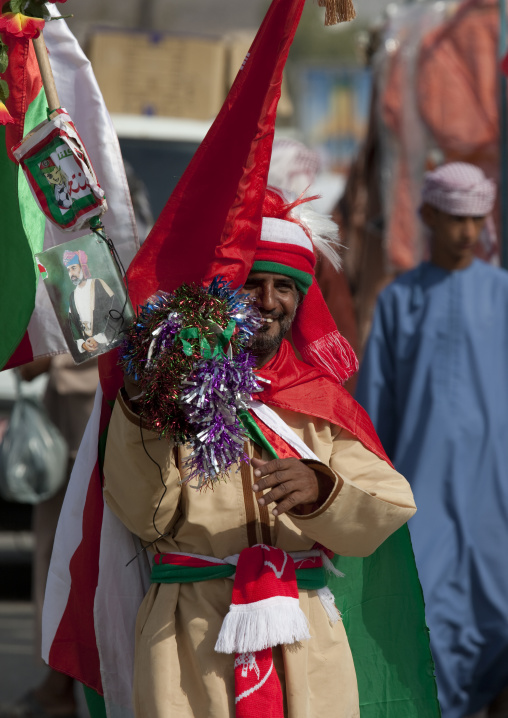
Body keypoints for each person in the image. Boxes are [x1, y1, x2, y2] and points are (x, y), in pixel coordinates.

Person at [101, 187, 419, 718]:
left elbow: (391, 503)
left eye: (284, 288)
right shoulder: (172, 390)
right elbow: (142, 515)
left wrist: (324, 490)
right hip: (189, 638)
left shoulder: (321, 404)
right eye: (252, 285)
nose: (269, 302)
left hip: (304, 639)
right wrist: (148, 404)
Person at [355, 162, 508, 718]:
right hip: (423, 500)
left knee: (497, 618)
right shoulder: (400, 300)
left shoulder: (503, 295)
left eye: (475, 219)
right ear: (428, 217)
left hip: (497, 499)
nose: (466, 232)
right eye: (454, 219)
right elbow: (374, 413)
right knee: (430, 619)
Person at [0, 354, 99, 718]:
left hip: (88, 430)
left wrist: (52, 357)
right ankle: (59, 681)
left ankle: (60, 685)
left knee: (70, 564)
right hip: (77, 434)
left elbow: (31, 365)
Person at [63, 249, 123, 358]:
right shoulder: (72, 296)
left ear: (82, 267)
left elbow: (116, 310)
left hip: (113, 345)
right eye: (68, 270)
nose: (71, 273)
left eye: (74, 268)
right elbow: (72, 323)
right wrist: (83, 344)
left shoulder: (98, 283)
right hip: (91, 352)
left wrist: (100, 338)